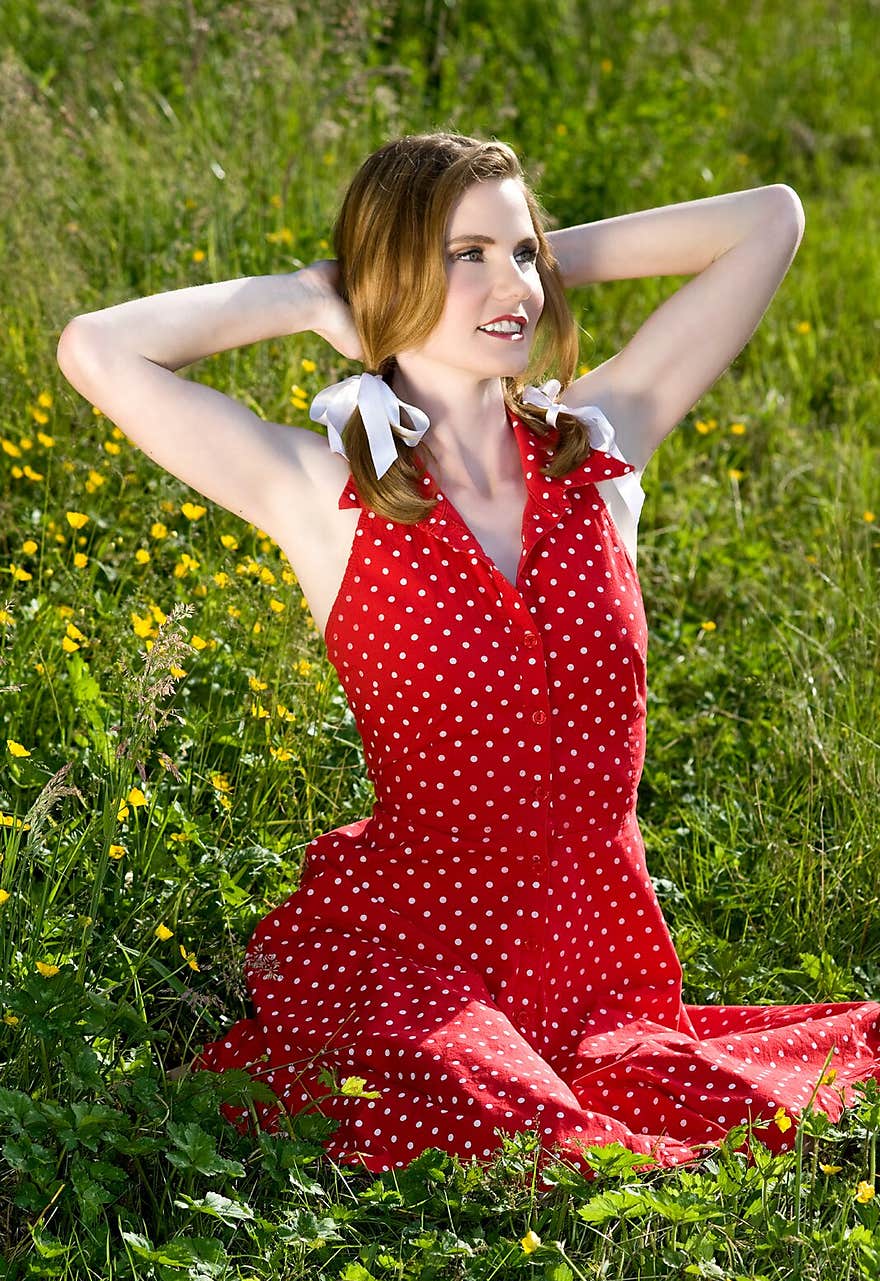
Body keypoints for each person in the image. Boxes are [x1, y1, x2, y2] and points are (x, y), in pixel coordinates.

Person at [56, 132, 880, 1180]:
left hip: (597, 965)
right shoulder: (324, 494)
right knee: (499, 1109)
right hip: (410, 953)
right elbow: (93, 348)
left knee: (679, 1097)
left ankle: (566, 1120)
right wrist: (320, 294)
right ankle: (545, 1131)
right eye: (465, 255)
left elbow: (769, 220)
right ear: (391, 272)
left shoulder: (603, 443)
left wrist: (519, 253)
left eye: (523, 252)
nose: (515, 286)